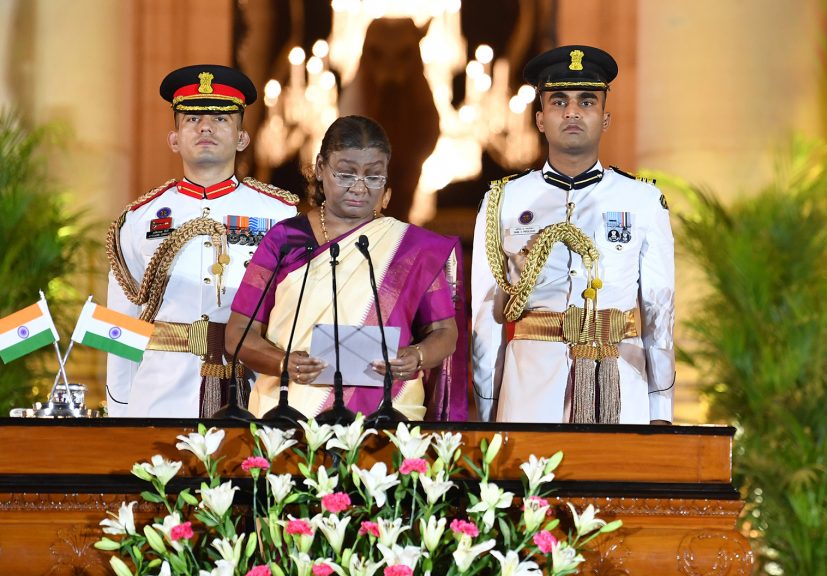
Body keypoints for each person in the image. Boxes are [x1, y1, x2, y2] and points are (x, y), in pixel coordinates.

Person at [470, 45, 675, 424]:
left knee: (614, 483)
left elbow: (659, 310)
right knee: (531, 485)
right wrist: (488, 405)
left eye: (587, 102)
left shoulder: (642, 200)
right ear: (541, 119)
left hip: (619, 377)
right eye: (559, 101)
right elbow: (486, 317)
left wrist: (660, 407)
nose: (573, 112)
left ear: (605, 118)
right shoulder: (504, 200)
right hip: (530, 385)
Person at [226, 115, 467, 421]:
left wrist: (417, 356)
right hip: (290, 415)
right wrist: (284, 363)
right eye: (346, 173)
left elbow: (445, 332)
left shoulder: (412, 248)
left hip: (388, 417)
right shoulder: (285, 241)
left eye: (374, 176)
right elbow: (238, 334)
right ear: (320, 168)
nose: (360, 187)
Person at [106, 64, 299, 417]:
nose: (206, 126)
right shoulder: (139, 219)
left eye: (221, 119)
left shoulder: (281, 215)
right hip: (161, 393)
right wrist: (120, 406)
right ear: (174, 138)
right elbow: (122, 320)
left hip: (253, 388)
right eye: (192, 118)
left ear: (243, 137)